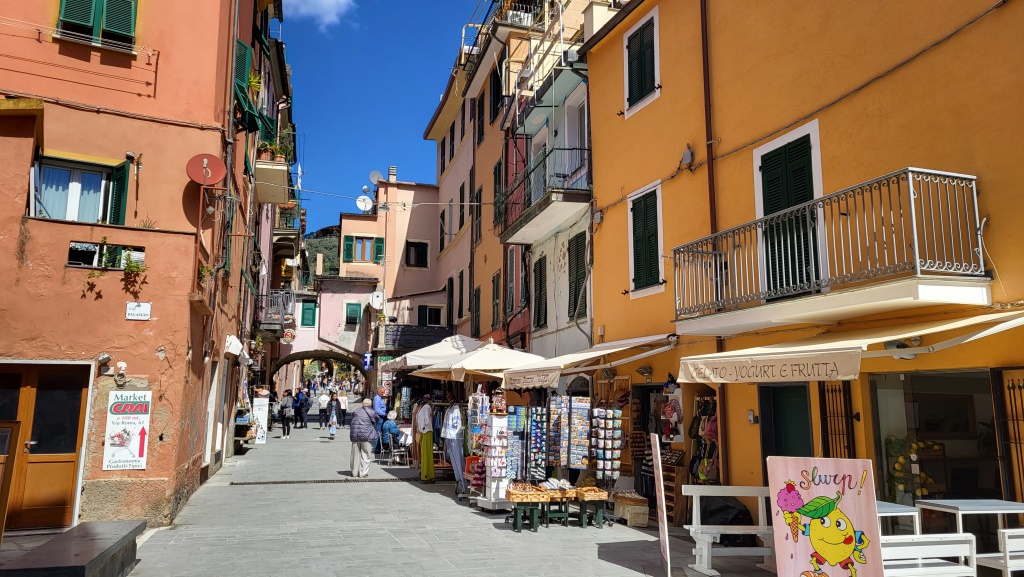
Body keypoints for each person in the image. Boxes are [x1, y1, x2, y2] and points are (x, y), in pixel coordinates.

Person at [350, 398, 378, 477]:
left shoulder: (356, 411)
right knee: (366, 454)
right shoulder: (372, 412)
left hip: (355, 435)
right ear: (370, 404)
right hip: (367, 435)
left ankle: (354, 472)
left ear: (362, 404)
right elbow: (377, 419)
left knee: (355, 454)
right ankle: (363, 472)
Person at [416, 396, 434, 483]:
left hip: (426, 431)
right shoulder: (424, 407)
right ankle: (426, 473)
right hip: (425, 431)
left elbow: (426, 420)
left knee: (426, 453)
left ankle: (427, 474)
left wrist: (422, 429)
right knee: (425, 454)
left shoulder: (425, 407)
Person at [372, 387, 387, 452]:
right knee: (378, 432)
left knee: (379, 432)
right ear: (378, 391)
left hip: (381, 417)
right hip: (379, 417)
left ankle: (378, 447)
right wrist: (385, 414)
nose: (383, 393)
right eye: (382, 392)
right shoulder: (377, 398)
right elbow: (377, 410)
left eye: (383, 392)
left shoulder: (380, 398)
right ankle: (377, 448)